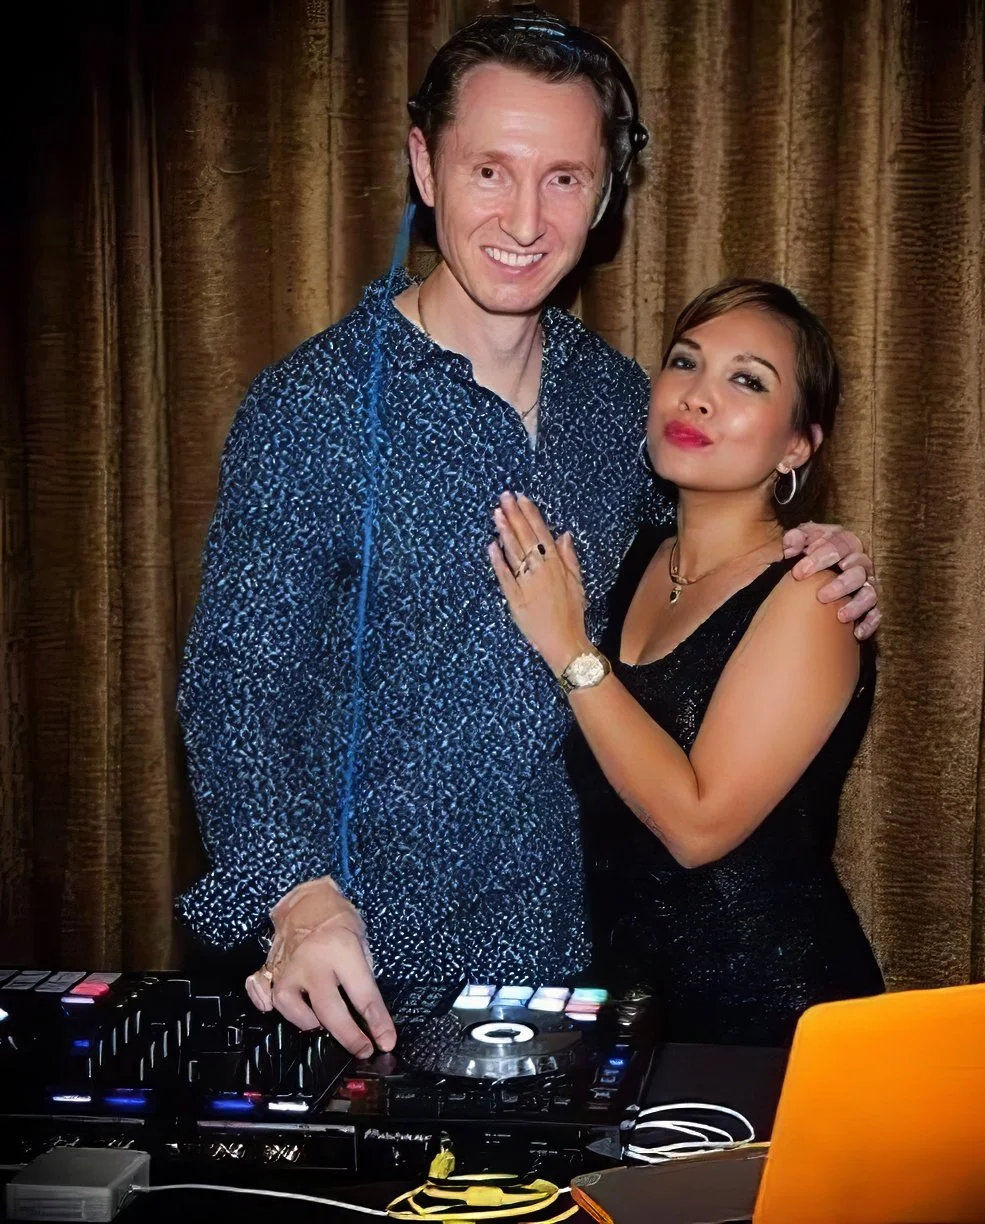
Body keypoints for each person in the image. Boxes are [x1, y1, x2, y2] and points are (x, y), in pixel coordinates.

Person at [177, 8, 880, 1060]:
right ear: (424, 166)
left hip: (578, 977)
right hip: (361, 979)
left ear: (602, 196)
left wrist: (818, 547)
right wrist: (296, 893)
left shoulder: (620, 405)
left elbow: (705, 566)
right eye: (489, 170)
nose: (525, 216)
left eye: (562, 177)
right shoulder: (309, 408)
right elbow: (235, 681)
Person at [491, 278, 883, 1046]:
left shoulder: (812, 594)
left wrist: (568, 647)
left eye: (746, 380)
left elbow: (698, 826)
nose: (698, 397)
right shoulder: (629, 553)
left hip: (771, 1027)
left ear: (799, 443)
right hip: (626, 1020)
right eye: (684, 362)